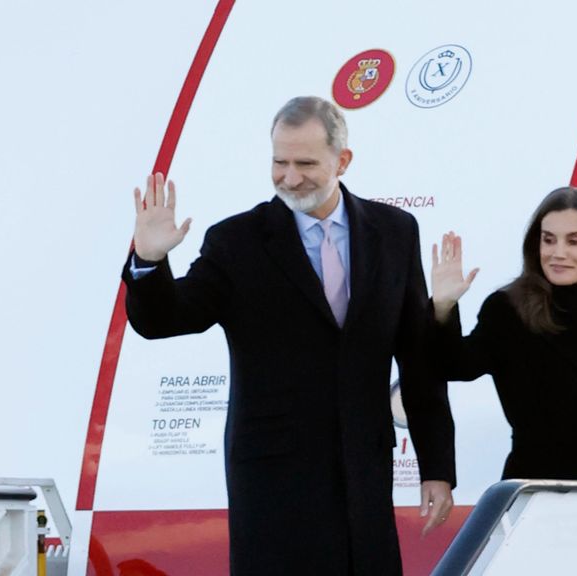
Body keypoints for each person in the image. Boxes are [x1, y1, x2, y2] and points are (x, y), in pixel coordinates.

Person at [122, 96, 455, 575]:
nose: (290, 177)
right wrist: (149, 262)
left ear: (343, 160)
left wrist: (437, 467)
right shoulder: (237, 241)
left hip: (363, 483)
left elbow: (419, 358)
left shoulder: (395, 231)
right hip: (273, 490)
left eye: (305, 163)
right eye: (279, 162)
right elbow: (165, 321)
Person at [430, 187, 577, 481]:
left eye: (574, 241)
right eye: (548, 240)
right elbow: (453, 365)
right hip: (540, 491)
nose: (558, 253)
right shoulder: (510, 309)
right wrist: (443, 307)